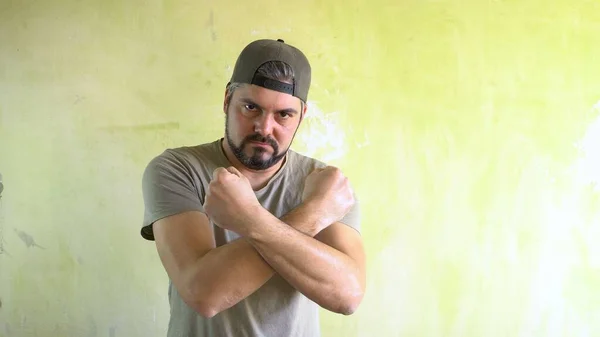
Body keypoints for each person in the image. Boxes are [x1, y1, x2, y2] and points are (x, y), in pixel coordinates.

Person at [140, 38, 366, 337]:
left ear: (302, 116)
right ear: (226, 101)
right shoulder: (177, 169)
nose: (264, 127)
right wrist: (313, 213)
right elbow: (204, 294)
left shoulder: (325, 184)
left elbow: (347, 296)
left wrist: (249, 220)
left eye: (284, 114)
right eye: (250, 107)